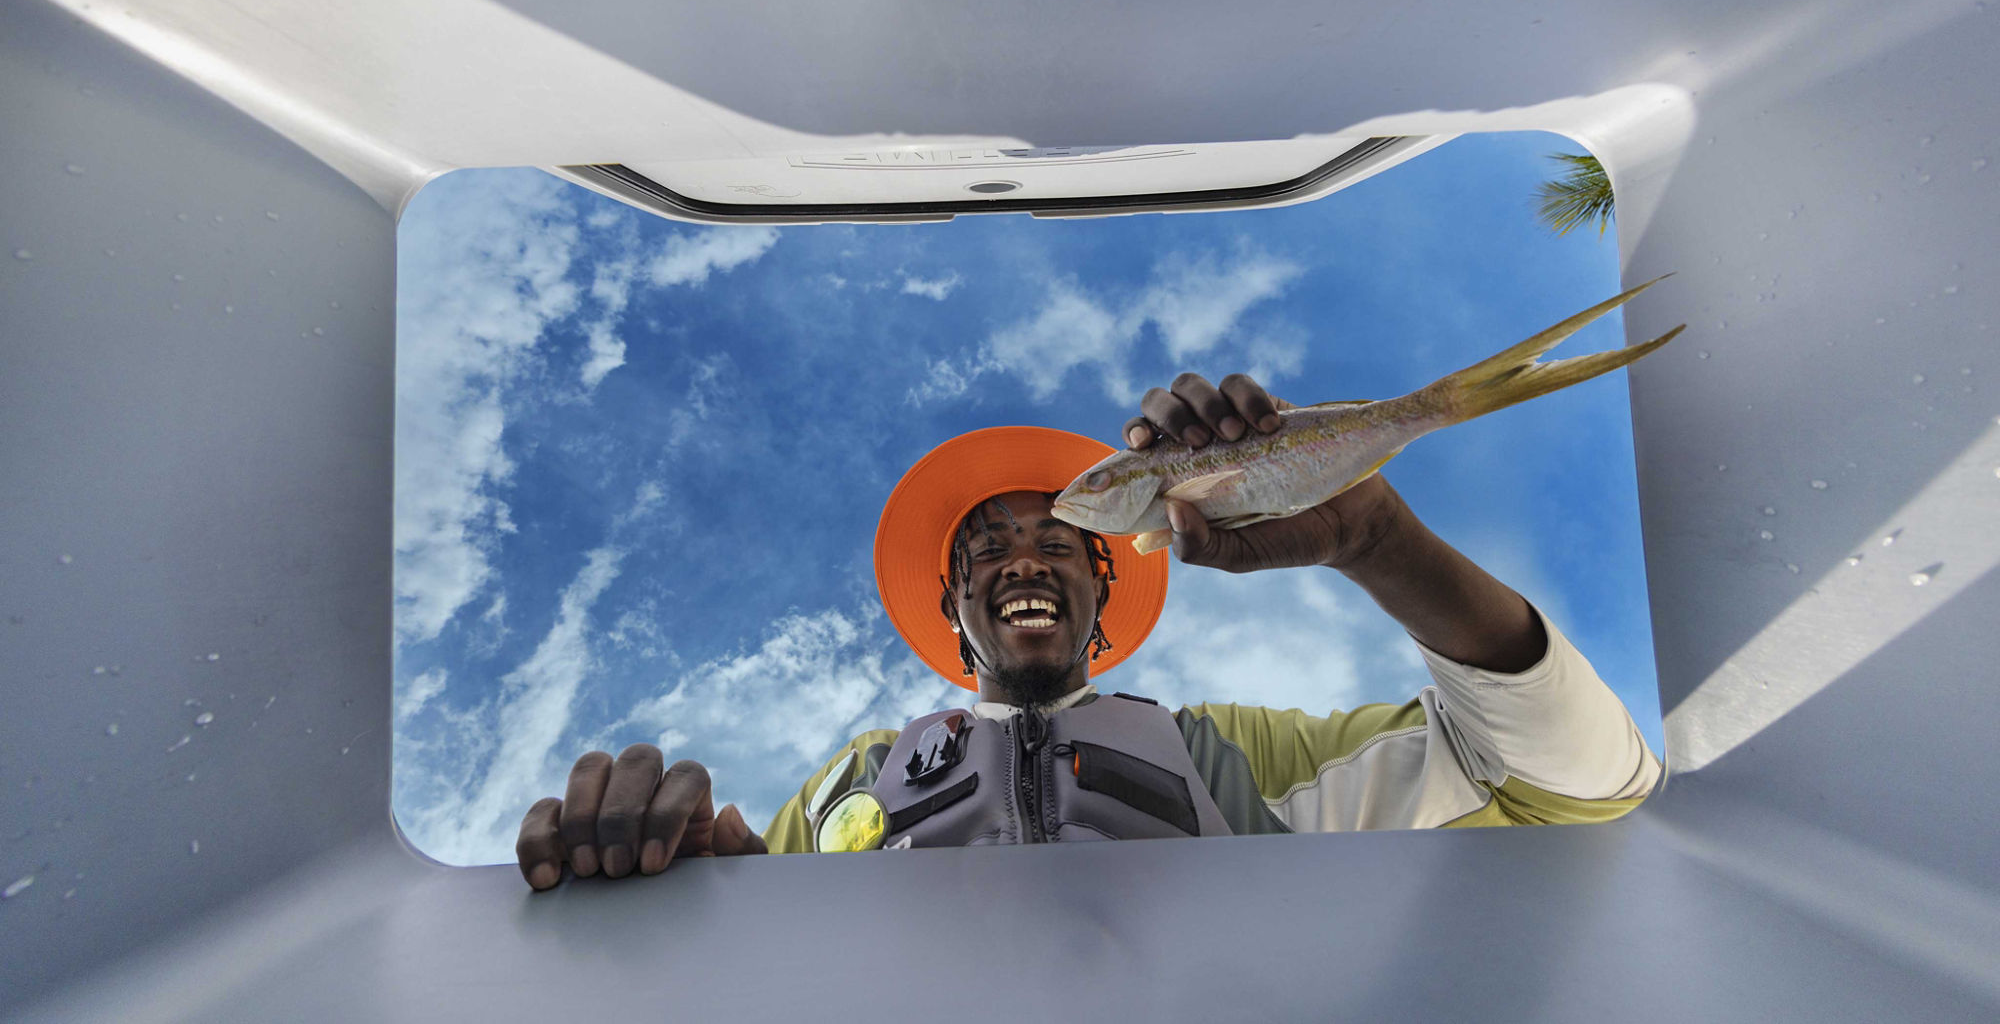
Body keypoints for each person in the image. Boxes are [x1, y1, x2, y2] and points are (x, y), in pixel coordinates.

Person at [516, 373, 1660, 888]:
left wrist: (1375, 540)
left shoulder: (1246, 757)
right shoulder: (833, 794)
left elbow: (1581, 786)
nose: (1024, 558)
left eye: (1060, 544)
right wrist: (655, 881)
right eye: (987, 552)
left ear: (1102, 604)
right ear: (953, 613)